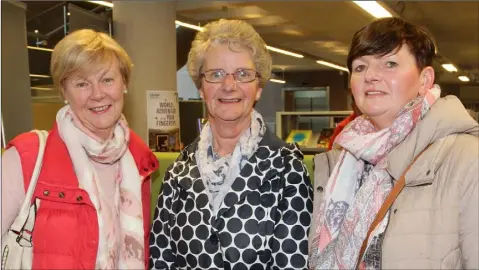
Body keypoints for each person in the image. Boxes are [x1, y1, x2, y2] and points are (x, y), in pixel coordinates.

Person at [309, 17, 478, 269]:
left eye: (389, 63)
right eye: (360, 67)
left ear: (425, 80)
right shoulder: (340, 160)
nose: (371, 76)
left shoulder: (466, 159)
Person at [149, 19, 313, 270]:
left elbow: (293, 263)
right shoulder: (177, 172)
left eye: (243, 74)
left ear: (258, 87)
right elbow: (162, 260)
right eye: (215, 74)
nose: (228, 85)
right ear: (201, 88)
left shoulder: (287, 168)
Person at [1, 29, 158, 269]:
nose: (97, 94)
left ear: (124, 83)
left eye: (107, 80)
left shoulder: (138, 164)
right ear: (64, 91)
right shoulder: (26, 158)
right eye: (82, 84)